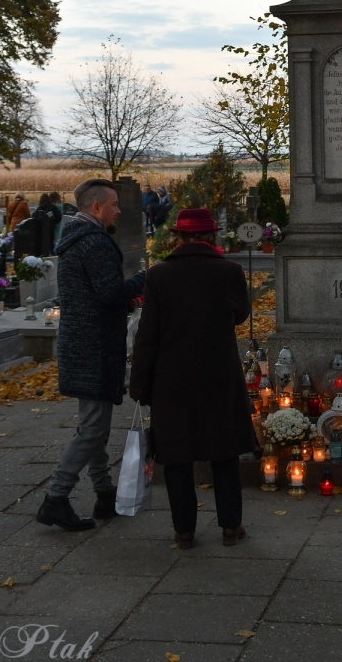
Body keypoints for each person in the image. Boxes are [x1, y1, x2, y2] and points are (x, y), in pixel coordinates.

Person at [129, 207, 255, 548]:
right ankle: (231, 527)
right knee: (224, 453)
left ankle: (184, 531)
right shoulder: (229, 271)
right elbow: (242, 315)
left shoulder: (159, 275)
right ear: (212, 236)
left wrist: (139, 382)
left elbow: (148, 334)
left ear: (178, 237)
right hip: (218, 375)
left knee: (177, 456)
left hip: (173, 378)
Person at [37, 178, 146, 531]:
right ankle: (55, 497)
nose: (118, 210)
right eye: (114, 205)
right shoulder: (95, 242)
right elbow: (110, 292)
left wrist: (128, 297)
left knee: (94, 425)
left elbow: (97, 294)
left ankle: (103, 492)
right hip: (94, 346)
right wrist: (147, 279)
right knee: (92, 429)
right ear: (95, 207)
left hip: (83, 342)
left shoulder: (76, 238)